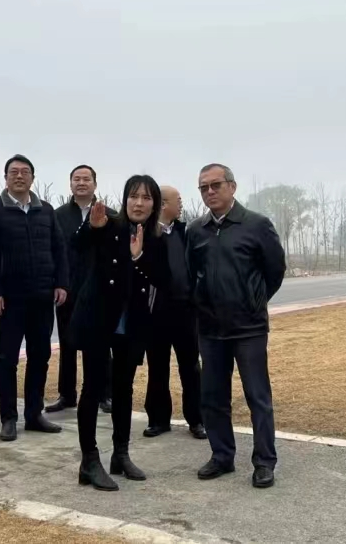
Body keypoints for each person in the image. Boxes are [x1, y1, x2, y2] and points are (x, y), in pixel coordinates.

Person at [187, 164, 286, 489]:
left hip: (248, 328)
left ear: (232, 186)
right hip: (210, 329)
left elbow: (275, 270)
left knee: (258, 397)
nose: (210, 192)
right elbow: (191, 272)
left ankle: (264, 462)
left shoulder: (256, 225)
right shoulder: (196, 230)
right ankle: (221, 456)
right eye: (204, 187)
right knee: (213, 397)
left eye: (216, 185)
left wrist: (254, 300)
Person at [72, 175, 170, 491]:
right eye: (133, 196)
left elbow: (162, 279)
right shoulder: (107, 224)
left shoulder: (157, 237)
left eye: (146, 198)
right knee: (92, 387)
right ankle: (89, 461)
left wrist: (139, 257)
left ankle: (121, 454)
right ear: (125, 199)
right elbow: (76, 246)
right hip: (98, 318)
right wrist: (91, 227)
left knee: (124, 388)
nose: (138, 203)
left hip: (133, 322)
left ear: (154, 204)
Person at [0, 155, 69, 442]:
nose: (19, 176)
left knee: (40, 357)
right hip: (9, 299)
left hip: (42, 297)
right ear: (5, 178)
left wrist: (61, 283)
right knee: (7, 359)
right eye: (13, 172)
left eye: (25, 172)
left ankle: (34, 414)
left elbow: (59, 249)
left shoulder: (46, 210)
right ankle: (8, 419)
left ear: (32, 178)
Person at [49, 165, 113, 414]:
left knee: (100, 345)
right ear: (70, 184)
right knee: (67, 343)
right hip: (68, 288)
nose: (81, 183)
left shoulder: (110, 214)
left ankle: (104, 394)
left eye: (86, 179)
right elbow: (55, 252)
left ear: (95, 184)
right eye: (77, 179)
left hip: (99, 290)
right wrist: (58, 283)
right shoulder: (58, 215)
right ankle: (66, 395)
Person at [143, 186, 206, 439]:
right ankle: (159, 420)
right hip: (156, 313)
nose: (181, 204)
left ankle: (197, 419)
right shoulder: (146, 233)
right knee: (158, 368)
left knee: (190, 367)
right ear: (162, 204)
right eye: (177, 200)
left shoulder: (185, 232)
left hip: (185, 311)